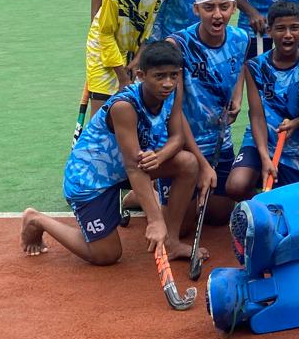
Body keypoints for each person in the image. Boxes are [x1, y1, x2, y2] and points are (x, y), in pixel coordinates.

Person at [23, 41, 203, 265]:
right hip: (91, 179)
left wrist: (160, 156)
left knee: (187, 162)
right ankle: (36, 219)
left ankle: (172, 242)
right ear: (141, 75)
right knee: (106, 255)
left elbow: (177, 138)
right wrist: (156, 221)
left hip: (125, 170)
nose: (167, 83)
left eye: (173, 75)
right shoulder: (124, 107)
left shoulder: (173, 91)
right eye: (159, 76)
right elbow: (133, 167)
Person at [166, 0, 249, 229]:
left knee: (219, 216)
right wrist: (202, 165)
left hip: (219, 142)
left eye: (224, 7)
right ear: (196, 9)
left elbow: (240, 66)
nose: (217, 15)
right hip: (183, 144)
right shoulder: (177, 45)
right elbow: (174, 109)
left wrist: (238, 95)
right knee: (183, 227)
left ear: (234, 8)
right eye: (209, 7)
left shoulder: (240, 38)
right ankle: (148, 192)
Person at [227, 0, 299, 198]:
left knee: (295, 199)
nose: (288, 34)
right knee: (236, 185)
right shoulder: (255, 66)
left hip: (297, 147)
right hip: (260, 141)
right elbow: (257, 116)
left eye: (294, 28)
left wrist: (296, 122)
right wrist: (264, 158)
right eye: (280, 28)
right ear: (269, 31)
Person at [83, 0, 175, 119]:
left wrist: (138, 59)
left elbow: (148, 24)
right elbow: (105, 35)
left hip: (131, 50)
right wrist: (122, 77)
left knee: (131, 110)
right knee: (102, 114)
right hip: (102, 49)